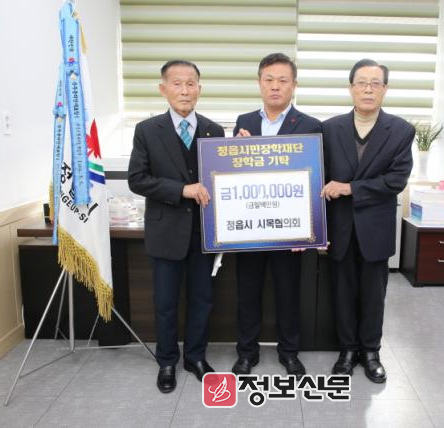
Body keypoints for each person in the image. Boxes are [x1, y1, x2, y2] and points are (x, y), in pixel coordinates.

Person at [128, 59, 225, 393]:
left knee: (202, 300)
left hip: (203, 233)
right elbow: (137, 179)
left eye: (191, 83)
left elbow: (222, 175)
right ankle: (167, 361)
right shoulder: (147, 130)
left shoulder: (214, 130)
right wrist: (182, 190)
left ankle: (195, 357)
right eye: (177, 83)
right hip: (165, 231)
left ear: (199, 88)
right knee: (166, 303)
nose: (185, 90)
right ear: (163, 89)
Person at [320, 59, 414, 383]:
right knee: (342, 293)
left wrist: (350, 188)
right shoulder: (330, 129)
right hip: (340, 227)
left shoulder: (401, 130)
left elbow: (396, 180)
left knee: (374, 295)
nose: (368, 89)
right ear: (351, 88)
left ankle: (371, 352)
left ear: (385, 89)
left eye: (375, 83)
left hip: (376, 229)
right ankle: (347, 351)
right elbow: (315, 173)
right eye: (362, 82)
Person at [231, 53, 322, 379]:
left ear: (293, 85)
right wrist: (235, 150)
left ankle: (289, 353)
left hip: (289, 231)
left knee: (288, 294)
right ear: (259, 83)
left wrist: (310, 229)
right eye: (268, 79)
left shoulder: (310, 125)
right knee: (248, 293)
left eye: (282, 80)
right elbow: (233, 174)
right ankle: (247, 353)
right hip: (251, 227)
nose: (275, 86)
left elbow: (315, 178)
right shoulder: (244, 122)